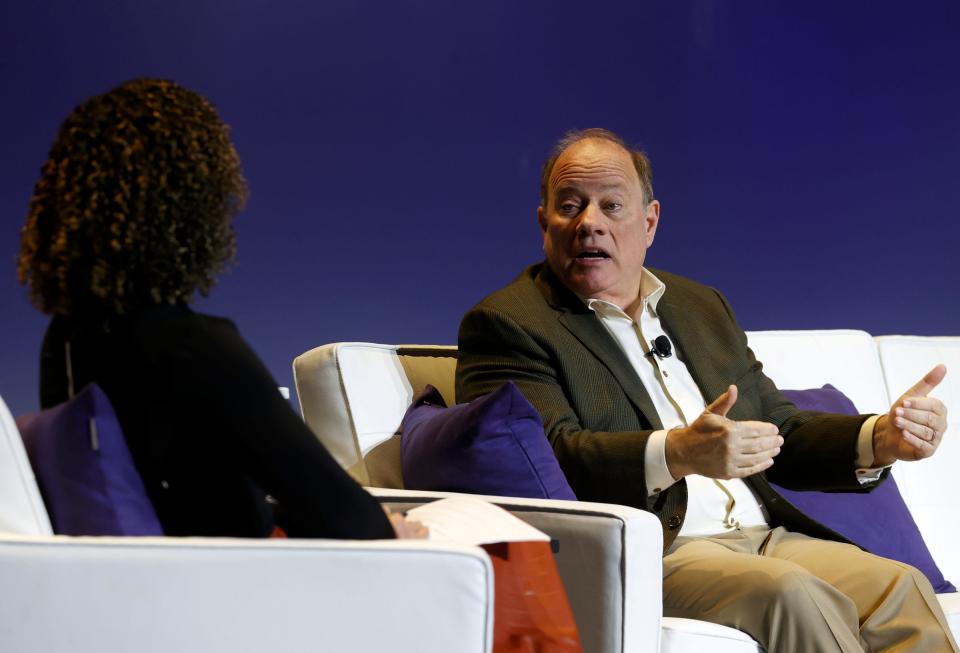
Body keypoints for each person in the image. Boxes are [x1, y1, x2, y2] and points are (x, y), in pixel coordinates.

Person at [456, 128, 954, 651]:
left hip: (765, 537)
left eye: (612, 205)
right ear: (544, 224)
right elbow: (549, 459)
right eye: (570, 206)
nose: (589, 224)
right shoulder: (508, 323)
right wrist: (677, 453)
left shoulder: (698, 306)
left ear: (649, 222)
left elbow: (778, 429)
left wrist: (879, 439)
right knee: (793, 594)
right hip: (660, 550)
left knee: (901, 587)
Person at [17, 79, 424, 541]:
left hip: (147, 585)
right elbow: (350, 519)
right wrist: (401, 534)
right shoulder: (193, 348)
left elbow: (183, 496)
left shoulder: (65, 341)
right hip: (234, 591)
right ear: (192, 204)